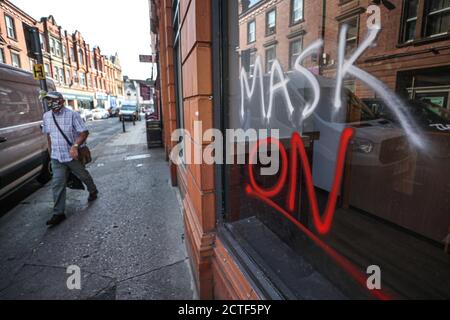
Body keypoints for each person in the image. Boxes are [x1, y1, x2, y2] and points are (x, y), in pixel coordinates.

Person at [42, 92, 98, 227]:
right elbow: (49, 136)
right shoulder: (46, 116)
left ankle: (93, 190)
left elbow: (84, 132)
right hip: (57, 157)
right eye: (48, 100)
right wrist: (50, 153)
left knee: (83, 175)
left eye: (52, 100)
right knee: (57, 184)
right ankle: (59, 213)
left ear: (61, 101)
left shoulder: (72, 115)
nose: (50, 103)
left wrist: (75, 146)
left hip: (72, 156)